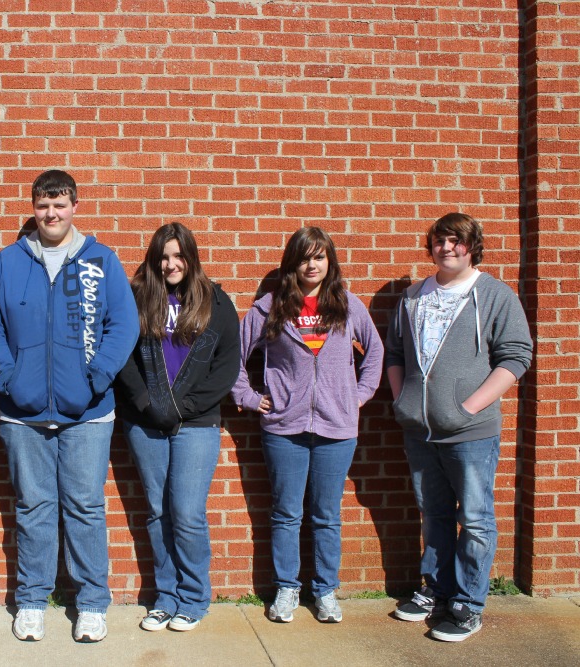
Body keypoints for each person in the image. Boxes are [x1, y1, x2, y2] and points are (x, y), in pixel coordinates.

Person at [0, 169, 139, 643]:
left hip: (88, 412)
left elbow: (123, 324)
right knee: (34, 508)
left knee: (85, 506)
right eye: (43, 205)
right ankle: (31, 601)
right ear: (33, 209)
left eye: (60, 204)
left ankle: (92, 604)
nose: (51, 214)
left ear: (74, 207)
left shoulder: (100, 260)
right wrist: (6, 378)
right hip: (22, 413)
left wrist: (97, 377)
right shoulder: (8, 261)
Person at [386, 213, 532, 642]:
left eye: (456, 240)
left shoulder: (494, 295)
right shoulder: (413, 296)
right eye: (439, 240)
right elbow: (395, 353)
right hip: (420, 431)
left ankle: (468, 605)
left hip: (470, 432)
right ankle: (437, 590)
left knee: (475, 519)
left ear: (472, 246)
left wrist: (467, 408)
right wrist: (402, 401)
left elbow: (516, 356)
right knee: (433, 515)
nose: (447, 248)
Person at [231, 227, 383, 625]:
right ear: (292, 264)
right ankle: (287, 588)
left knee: (326, 515)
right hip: (284, 428)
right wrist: (249, 397)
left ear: (329, 261)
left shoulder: (347, 305)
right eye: (304, 258)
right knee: (286, 513)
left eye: (319, 257)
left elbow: (375, 351)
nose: (311, 265)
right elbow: (234, 357)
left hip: (337, 428)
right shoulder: (269, 308)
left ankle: (325, 590)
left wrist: (359, 394)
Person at [114, 223, 241, 632]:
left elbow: (226, 367)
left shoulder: (216, 302)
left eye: (177, 256)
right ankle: (165, 598)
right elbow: (122, 355)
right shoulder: (137, 299)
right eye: (163, 257)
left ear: (190, 257)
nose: (170, 264)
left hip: (196, 423)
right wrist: (146, 403)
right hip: (145, 421)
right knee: (157, 511)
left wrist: (182, 407)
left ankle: (193, 598)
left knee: (186, 513)